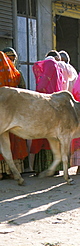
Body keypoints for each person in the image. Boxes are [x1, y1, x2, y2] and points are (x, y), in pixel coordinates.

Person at [30, 50, 64, 174]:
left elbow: (42, 85)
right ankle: (54, 168)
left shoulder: (49, 64)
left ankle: (42, 168)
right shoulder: (54, 65)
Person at [0, 51, 28, 180]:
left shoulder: (17, 74)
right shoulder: (17, 74)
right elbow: (24, 92)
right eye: (9, 58)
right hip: (14, 113)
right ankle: (13, 171)